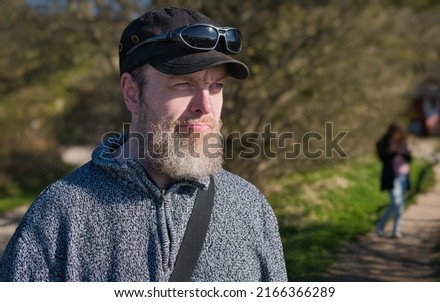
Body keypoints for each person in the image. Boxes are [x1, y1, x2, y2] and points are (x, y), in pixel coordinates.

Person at [0, 7, 288, 282]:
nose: (206, 107)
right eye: (183, 84)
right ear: (131, 92)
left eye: (216, 87)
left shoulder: (249, 206)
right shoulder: (61, 213)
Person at [375, 122, 412, 239]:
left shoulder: (402, 143)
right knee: (396, 202)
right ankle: (380, 225)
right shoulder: (384, 143)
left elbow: (410, 158)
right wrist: (393, 153)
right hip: (391, 177)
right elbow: (382, 157)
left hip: (403, 176)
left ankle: (395, 230)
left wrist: (405, 155)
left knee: (399, 204)